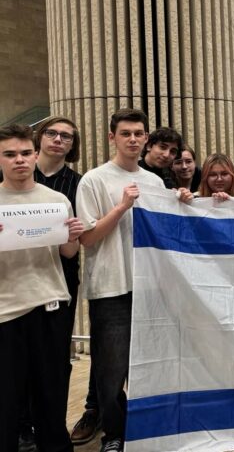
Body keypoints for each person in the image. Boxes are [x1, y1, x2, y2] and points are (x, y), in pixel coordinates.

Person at [76, 109, 167, 452]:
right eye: (125, 133)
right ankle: (113, 434)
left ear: (146, 139)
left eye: (138, 133)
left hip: (148, 287)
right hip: (111, 287)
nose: (132, 139)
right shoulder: (94, 180)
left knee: (148, 366)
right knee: (111, 372)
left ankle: (145, 428)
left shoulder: (155, 182)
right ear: (112, 137)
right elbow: (86, 238)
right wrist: (121, 207)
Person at [0, 124, 84, 452]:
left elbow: (68, 253)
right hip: (6, 311)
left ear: (35, 155)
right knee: (7, 400)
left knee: (51, 395)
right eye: (10, 154)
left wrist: (73, 236)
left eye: (24, 153)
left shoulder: (57, 199)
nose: (19, 160)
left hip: (51, 306)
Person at [31, 118, 99, 447]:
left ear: (73, 146)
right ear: (39, 137)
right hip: (13, 282)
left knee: (57, 357)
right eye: (52, 133)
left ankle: (52, 428)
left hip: (60, 278)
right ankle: (20, 428)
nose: (59, 140)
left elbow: (80, 237)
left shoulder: (78, 183)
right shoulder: (12, 176)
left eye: (66, 137)